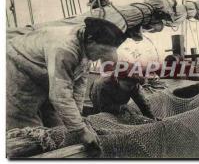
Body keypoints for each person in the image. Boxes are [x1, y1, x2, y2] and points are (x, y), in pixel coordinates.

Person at [6, 17, 125, 150]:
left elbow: (78, 88)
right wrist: (80, 131)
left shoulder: (87, 48)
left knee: (60, 126)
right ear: (91, 40)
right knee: (30, 131)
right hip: (16, 68)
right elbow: (60, 95)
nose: (100, 57)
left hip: (44, 73)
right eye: (102, 52)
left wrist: (79, 121)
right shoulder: (65, 48)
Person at [89, 72, 159, 120]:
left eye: (133, 86)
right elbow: (103, 107)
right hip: (98, 97)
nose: (130, 88)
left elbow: (142, 102)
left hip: (119, 98)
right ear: (117, 79)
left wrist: (151, 117)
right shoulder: (103, 86)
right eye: (128, 85)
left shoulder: (133, 85)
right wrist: (122, 107)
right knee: (101, 117)